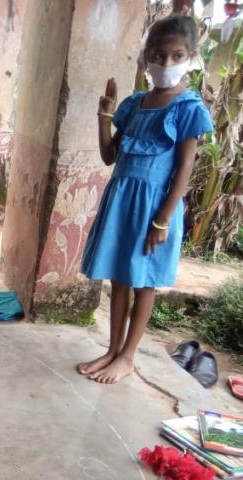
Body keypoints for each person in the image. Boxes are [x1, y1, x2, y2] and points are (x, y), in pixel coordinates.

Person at [78, 15, 212, 384]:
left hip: (154, 208)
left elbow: (183, 170)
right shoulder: (134, 105)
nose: (165, 64)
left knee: (143, 282)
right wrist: (105, 114)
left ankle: (129, 356)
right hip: (121, 201)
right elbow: (109, 156)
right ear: (145, 56)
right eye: (157, 54)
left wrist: (163, 220)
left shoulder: (188, 109)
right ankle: (112, 349)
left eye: (176, 55)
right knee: (119, 280)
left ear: (191, 57)